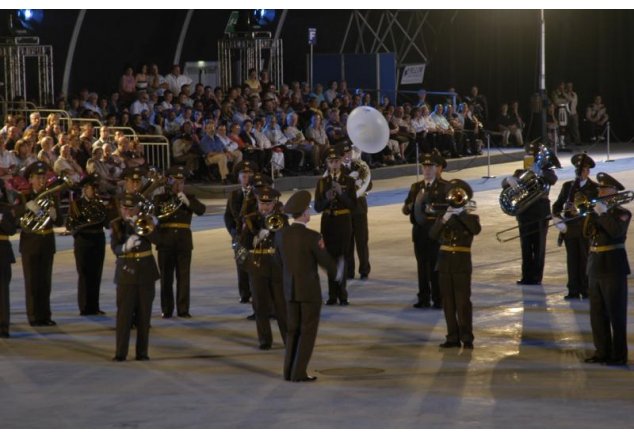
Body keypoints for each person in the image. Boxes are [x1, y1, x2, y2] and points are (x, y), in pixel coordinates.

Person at [274, 190, 341, 382]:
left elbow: (277, 261)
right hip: (309, 291)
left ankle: (288, 371)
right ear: (303, 213)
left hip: (289, 289)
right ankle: (299, 372)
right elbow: (325, 262)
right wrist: (337, 272)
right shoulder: (312, 236)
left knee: (292, 331)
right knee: (307, 331)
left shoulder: (281, 234)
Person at [583, 172, 630, 366]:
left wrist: (602, 213)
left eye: (604, 189)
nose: (600, 191)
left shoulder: (622, 213)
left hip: (613, 267)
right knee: (597, 313)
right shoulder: (597, 211)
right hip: (595, 267)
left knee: (616, 314)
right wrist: (591, 214)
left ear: (614, 192)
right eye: (600, 188)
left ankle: (618, 355)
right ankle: (601, 351)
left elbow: (616, 232)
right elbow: (587, 233)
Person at [430, 179, 481, 349]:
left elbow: (476, 230)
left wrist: (461, 213)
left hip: (461, 263)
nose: (455, 197)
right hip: (444, 263)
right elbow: (432, 235)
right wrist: (444, 217)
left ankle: (467, 337)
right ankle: (452, 336)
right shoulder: (443, 216)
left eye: (459, 195)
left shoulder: (471, 217)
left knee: (463, 302)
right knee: (448, 302)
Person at [110, 192, 160, 362]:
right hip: (126, 274)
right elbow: (115, 249)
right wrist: (125, 247)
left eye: (131, 209)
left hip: (146, 273)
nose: (127, 212)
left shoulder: (147, 222)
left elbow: (159, 240)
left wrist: (144, 228)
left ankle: (142, 352)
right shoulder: (116, 225)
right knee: (123, 316)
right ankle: (120, 352)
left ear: (138, 209)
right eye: (124, 208)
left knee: (144, 316)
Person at [239, 185, 287, 350]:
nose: (264, 207)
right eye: (262, 203)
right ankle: (265, 339)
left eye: (268, 204)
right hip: (257, 264)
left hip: (275, 264)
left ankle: (288, 337)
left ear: (274, 204)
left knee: (281, 304)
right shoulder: (250, 219)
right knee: (260, 304)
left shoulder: (282, 219)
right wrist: (254, 236)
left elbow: (286, 242)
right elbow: (243, 243)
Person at [502, 144, 559, 285]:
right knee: (526, 247)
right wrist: (508, 180)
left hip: (540, 213)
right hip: (524, 213)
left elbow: (553, 179)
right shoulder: (520, 172)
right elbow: (504, 183)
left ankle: (536, 277)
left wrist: (539, 172)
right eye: (527, 156)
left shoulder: (546, 171)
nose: (528, 158)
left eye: (531, 156)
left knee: (539, 247)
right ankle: (526, 276)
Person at [154, 166, 206, 318]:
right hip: (165, 240)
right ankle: (167, 309)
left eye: (181, 182)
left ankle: (183, 309)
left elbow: (202, 210)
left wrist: (188, 203)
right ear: (169, 182)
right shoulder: (160, 198)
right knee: (166, 278)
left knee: (184, 277)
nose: (179, 185)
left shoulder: (189, 197)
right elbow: (156, 215)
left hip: (183, 242)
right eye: (175, 182)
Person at [17, 161, 64, 326]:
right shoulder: (25, 196)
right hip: (31, 243)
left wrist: (55, 214)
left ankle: (45, 315)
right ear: (30, 179)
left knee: (45, 281)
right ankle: (34, 316)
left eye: (44, 177)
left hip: (46, 242)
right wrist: (26, 209)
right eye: (38, 177)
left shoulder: (50, 196)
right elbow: (16, 220)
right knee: (32, 282)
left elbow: (60, 222)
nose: (42, 180)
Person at [402, 154, 451, 309]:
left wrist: (434, 211)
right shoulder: (416, 187)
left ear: (437, 168)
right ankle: (423, 297)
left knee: (436, 266)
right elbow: (405, 208)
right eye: (425, 167)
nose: (427, 170)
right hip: (419, 232)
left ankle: (438, 298)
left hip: (436, 231)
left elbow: (449, 209)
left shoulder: (444, 186)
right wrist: (409, 207)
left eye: (431, 167)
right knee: (422, 266)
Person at [551, 153, 599, 299]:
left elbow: (596, 210)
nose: (580, 173)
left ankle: (585, 289)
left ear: (588, 171)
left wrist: (580, 211)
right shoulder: (568, 187)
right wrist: (558, 220)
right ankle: (573, 289)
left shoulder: (594, 188)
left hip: (585, 229)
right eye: (578, 170)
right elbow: (557, 206)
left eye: (583, 170)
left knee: (584, 259)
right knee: (572, 260)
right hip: (570, 229)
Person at [314, 147, 357, 305]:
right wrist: (326, 198)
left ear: (341, 162)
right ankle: (332, 295)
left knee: (343, 257)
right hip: (328, 222)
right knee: (329, 258)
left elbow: (353, 205)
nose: (334, 164)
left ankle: (343, 294)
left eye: (337, 161)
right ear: (327, 163)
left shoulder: (349, 181)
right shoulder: (322, 182)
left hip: (343, 221)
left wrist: (341, 193)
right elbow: (317, 207)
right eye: (331, 161)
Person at [65, 174, 109, 316]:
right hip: (83, 240)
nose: (94, 191)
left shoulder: (100, 204)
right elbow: (70, 224)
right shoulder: (76, 204)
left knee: (96, 274)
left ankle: (94, 306)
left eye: (95, 188)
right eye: (91, 187)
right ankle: (84, 306)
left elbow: (106, 223)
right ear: (85, 188)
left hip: (98, 238)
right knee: (84, 273)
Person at [224, 161, 257, 306]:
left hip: (253, 235)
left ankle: (256, 292)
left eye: (249, 174)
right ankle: (244, 294)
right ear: (238, 177)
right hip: (238, 235)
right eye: (243, 174)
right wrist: (233, 232)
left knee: (255, 265)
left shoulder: (258, 194)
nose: (246, 177)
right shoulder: (234, 194)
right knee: (241, 264)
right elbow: (228, 216)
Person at [341, 143, 372, 280]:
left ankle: (364, 269)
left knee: (362, 240)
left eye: (348, 153)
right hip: (345, 209)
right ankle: (349, 271)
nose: (347, 156)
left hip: (359, 208)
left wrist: (360, 182)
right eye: (344, 154)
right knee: (348, 242)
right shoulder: (337, 169)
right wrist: (350, 180)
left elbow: (369, 184)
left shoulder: (360, 166)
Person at [0, 179, 17, 338]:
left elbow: (12, 230)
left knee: (3, 293)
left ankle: (3, 327)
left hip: (2, 253)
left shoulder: (6, 209)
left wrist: (2, 220)